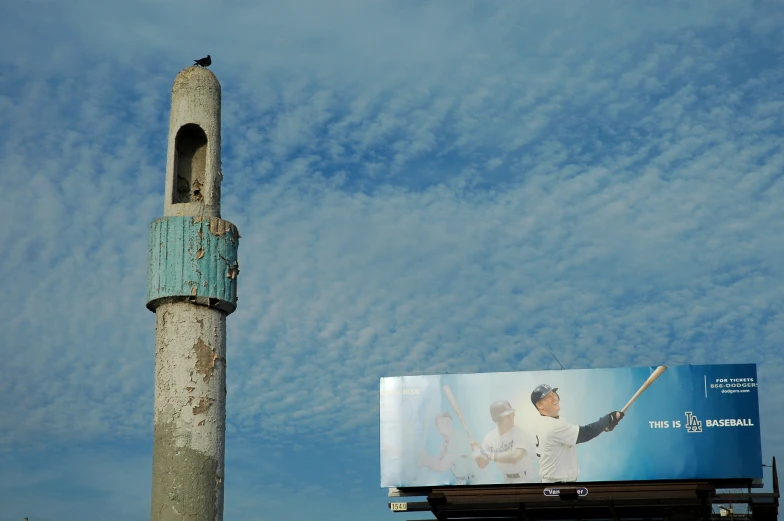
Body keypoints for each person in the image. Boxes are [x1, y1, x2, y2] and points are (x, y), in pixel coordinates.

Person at [531, 383, 624, 483]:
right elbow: (585, 433)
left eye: (553, 394)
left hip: (556, 482)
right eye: (548, 397)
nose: (554, 398)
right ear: (539, 405)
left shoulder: (548, 421)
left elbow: (570, 437)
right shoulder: (552, 426)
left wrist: (603, 428)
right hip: (557, 485)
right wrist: (609, 418)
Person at [471, 400, 540, 483]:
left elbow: (515, 457)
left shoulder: (520, 432)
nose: (513, 416)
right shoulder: (490, 438)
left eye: (511, 413)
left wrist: (487, 455)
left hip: (528, 479)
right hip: (507, 480)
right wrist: (477, 452)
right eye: (508, 415)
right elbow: (482, 464)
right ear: (497, 419)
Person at [417, 412, 475, 485]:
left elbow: (441, 466)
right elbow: (438, 460)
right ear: (437, 428)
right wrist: (426, 458)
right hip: (463, 482)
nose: (446, 424)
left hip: (477, 483)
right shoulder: (444, 444)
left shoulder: (457, 439)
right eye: (442, 422)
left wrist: (424, 461)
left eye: (448, 421)